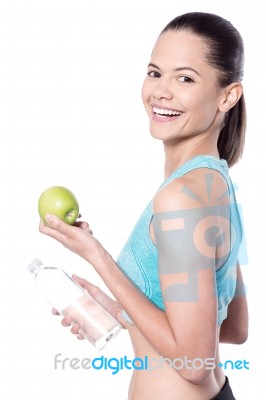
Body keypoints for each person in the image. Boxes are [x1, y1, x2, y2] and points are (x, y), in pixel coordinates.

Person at [39, 12, 249, 400]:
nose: (160, 91)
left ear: (227, 96)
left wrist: (96, 256)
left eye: (184, 78)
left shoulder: (181, 199)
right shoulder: (216, 184)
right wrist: (117, 310)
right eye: (155, 73)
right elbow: (232, 327)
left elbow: (194, 363)